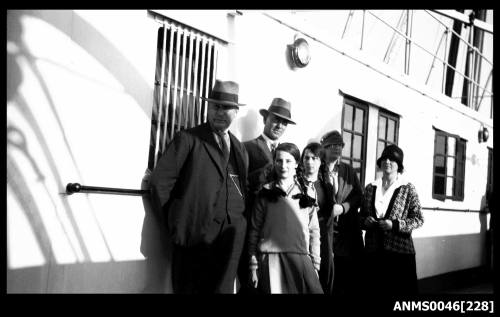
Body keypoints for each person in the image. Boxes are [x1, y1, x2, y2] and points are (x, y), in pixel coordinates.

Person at [149, 79, 249, 294]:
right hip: (194, 237)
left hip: (231, 239)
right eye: (215, 106)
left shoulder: (240, 149)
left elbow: (242, 187)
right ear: (208, 108)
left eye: (226, 108)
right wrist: (176, 223)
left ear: (236, 112)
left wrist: (240, 224)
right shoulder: (187, 139)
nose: (219, 112)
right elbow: (159, 184)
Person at [247, 143, 323, 294]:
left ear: (296, 164)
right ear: (274, 162)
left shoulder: (306, 193)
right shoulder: (265, 193)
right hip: (272, 260)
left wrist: (315, 263)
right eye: (279, 161)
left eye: (288, 161)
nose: (283, 165)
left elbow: (314, 231)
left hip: (300, 259)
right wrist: (253, 265)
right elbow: (254, 230)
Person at [238, 97, 295, 292]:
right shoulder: (247, 147)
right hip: (253, 225)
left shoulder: (287, 154)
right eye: (275, 119)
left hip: (278, 231)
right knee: (251, 282)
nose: (279, 125)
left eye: (284, 122)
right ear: (265, 120)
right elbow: (240, 186)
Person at [360, 144, 423, 294]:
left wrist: (394, 225)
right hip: (374, 254)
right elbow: (361, 216)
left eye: (392, 159)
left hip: (399, 257)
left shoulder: (407, 188)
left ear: (399, 165)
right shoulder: (370, 187)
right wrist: (365, 222)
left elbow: (419, 219)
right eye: (384, 158)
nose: (387, 161)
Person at [319, 130, 364, 295]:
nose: (337, 149)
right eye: (332, 145)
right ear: (324, 148)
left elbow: (359, 196)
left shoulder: (348, 171)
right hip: (323, 230)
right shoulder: (318, 168)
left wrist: (343, 207)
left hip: (345, 234)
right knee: (324, 273)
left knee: (343, 276)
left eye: (340, 145)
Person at [297, 142, 335, 294]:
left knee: (323, 278)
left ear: (321, 162)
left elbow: (328, 218)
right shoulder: (296, 183)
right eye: (306, 158)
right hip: (300, 235)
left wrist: (329, 246)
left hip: (321, 238)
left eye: (314, 158)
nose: (310, 162)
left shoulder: (326, 186)